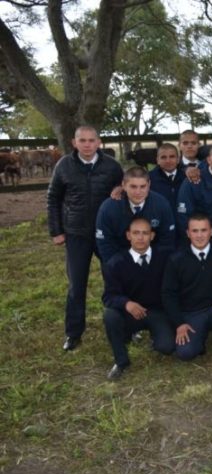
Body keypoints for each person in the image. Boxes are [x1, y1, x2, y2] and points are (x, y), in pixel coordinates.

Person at [47, 125, 124, 351]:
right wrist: (56, 231)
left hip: (106, 234)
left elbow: (125, 189)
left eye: (92, 140)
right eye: (83, 141)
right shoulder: (64, 166)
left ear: (99, 142)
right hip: (76, 233)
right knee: (76, 285)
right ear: (74, 143)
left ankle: (126, 326)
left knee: (116, 280)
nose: (88, 145)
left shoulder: (111, 166)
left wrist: (120, 188)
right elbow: (53, 198)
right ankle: (73, 333)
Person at [101, 217, 175, 379]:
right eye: (136, 233)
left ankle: (156, 337)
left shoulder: (165, 257)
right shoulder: (115, 263)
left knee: (167, 347)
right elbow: (109, 296)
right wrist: (126, 303)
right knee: (110, 315)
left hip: (156, 311)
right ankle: (121, 361)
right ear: (128, 235)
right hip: (130, 313)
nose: (140, 237)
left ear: (152, 236)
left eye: (145, 233)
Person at [161, 213, 212, 364]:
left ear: (211, 232)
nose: (199, 235)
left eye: (203, 230)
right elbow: (168, 294)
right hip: (191, 313)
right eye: (195, 231)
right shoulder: (176, 259)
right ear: (188, 233)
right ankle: (200, 338)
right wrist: (179, 323)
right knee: (185, 353)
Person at [95, 166, 176, 264]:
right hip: (119, 261)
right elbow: (105, 244)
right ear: (123, 185)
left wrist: (154, 263)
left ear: (149, 185)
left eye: (143, 186)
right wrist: (117, 266)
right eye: (133, 186)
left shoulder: (161, 204)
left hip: (153, 260)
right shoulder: (108, 208)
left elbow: (167, 240)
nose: (138, 192)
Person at [149, 143, 186, 210]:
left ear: (178, 159)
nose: (168, 161)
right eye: (163, 157)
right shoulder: (149, 179)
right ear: (157, 160)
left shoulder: (187, 177)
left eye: (172, 157)